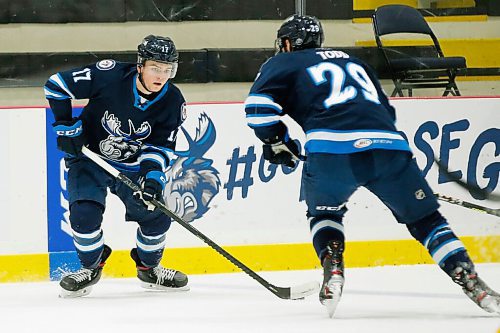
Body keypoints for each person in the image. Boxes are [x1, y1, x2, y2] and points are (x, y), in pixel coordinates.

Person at [244, 15, 500, 317]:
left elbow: (258, 110)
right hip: (388, 147)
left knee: (324, 212)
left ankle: (333, 264)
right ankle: (469, 277)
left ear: (287, 43)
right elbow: (384, 112)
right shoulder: (356, 64)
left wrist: (277, 141)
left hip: (330, 151)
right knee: (427, 222)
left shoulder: (282, 63)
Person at [44, 35, 189, 297]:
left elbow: (160, 147)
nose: (161, 76)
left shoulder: (173, 101)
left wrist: (152, 179)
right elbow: (56, 85)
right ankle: (90, 268)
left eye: (168, 70)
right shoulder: (109, 75)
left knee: (156, 217)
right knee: (83, 216)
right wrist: (65, 125)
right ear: (140, 65)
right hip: (90, 158)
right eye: (155, 68)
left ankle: (149, 269)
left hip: (132, 168)